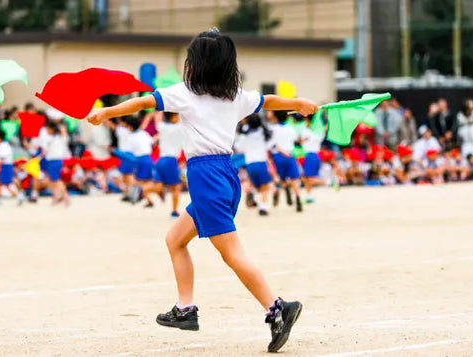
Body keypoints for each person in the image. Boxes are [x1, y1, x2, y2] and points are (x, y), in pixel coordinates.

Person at [86, 29, 317, 352]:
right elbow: (271, 101)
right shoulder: (235, 96)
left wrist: (106, 112)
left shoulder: (185, 93)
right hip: (225, 175)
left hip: (206, 177)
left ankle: (277, 307)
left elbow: (143, 101)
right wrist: (300, 103)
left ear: (194, 64)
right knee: (175, 239)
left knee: (232, 253)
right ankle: (185, 309)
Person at [141, 112, 183, 217]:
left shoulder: (162, 127)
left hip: (160, 160)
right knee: (176, 188)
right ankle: (174, 211)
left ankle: (141, 189)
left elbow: (157, 117)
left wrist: (155, 111)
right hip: (170, 160)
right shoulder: (179, 128)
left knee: (158, 186)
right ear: (174, 117)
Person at [237, 113, 273, 216]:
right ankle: (263, 207)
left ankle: (251, 192)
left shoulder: (244, 134)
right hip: (261, 161)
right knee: (265, 186)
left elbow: (240, 148)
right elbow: (268, 145)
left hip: (250, 163)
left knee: (255, 184)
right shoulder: (263, 132)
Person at [266, 110, 303, 212]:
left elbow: (271, 145)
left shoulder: (271, 129)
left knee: (280, 178)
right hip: (290, 155)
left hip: (278, 156)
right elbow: (295, 142)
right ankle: (298, 198)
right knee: (294, 179)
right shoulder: (290, 128)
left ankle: (283, 188)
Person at [0, 130, 25, 205]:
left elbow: (2, 157)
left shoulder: (3, 145)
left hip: (6, 165)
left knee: (5, 181)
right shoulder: (3, 145)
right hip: (6, 165)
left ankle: (20, 194)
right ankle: (20, 194)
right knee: (6, 181)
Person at [299, 114, 325, 203]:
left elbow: (300, 141)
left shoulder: (307, 131)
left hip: (311, 155)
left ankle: (328, 182)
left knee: (308, 178)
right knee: (306, 178)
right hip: (311, 155)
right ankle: (309, 195)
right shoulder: (318, 131)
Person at [43, 122, 70, 205]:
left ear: (51, 130)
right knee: (52, 180)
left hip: (53, 160)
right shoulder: (59, 138)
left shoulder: (50, 138)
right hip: (58, 160)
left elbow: (45, 150)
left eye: (47, 129)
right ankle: (55, 197)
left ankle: (65, 196)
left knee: (56, 180)